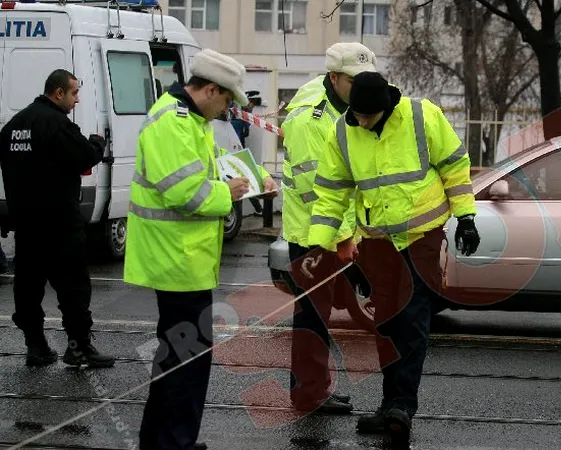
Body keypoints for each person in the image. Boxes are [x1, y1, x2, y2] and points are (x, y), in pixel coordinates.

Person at [306, 71, 481, 437]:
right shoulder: (344, 129)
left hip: (421, 237)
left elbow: (454, 165)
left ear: (386, 108)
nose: (361, 122)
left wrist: (466, 216)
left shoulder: (422, 116)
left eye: (368, 117)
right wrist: (325, 245)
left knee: (411, 319)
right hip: (377, 241)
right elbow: (332, 191)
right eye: (357, 115)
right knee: (385, 323)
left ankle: (402, 406)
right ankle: (388, 405)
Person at [123, 48, 278, 450]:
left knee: (178, 354)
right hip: (176, 257)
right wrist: (228, 194)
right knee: (186, 359)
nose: (227, 109)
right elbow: (184, 191)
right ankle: (175, 442)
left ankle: (161, 440)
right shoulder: (175, 123)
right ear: (211, 89)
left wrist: (255, 176)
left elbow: (210, 166)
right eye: (227, 100)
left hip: (181, 257)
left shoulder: (186, 118)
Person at [281, 42, 377, 415]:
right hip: (314, 236)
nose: (361, 87)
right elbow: (314, 191)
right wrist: (342, 240)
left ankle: (311, 388)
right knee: (312, 318)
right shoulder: (311, 120)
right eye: (355, 80)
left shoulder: (348, 110)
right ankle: (309, 393)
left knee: (317, 317)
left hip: (338, 232)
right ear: (334, 78)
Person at [0, 69, 114, 368]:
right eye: (74, 93)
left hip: (26, 225)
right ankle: (78, 348)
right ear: (59, 92)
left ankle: (35, 346)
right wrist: (97, 145)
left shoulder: (15, 125)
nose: (77, 100)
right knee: (74, 288)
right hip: (59, 224)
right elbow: (84, 157)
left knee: (27, 288)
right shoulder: (56, 124)